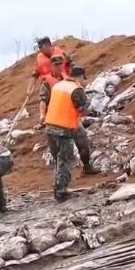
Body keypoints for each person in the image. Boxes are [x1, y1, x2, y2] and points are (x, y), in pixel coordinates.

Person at [36, 56, 99, 175]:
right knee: (61, 152)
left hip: (70, 118)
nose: (59, 67)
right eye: (56, 65)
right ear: (51, 66)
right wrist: (42, 115)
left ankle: (86, 166)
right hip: (56, 119)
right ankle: (60, 177)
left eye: (61, 64)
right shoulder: (47, 81)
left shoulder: (66, 80)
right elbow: (43, 100)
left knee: (83, 141)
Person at [43, 66, 90, 202]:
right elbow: (83, 109)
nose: (84, 81)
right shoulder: (76, 89)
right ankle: (61, 192)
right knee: (66, 160)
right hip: (63, 129)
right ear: (80, 77)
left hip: (50, 126)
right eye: (83, 78)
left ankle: (58, 187)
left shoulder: (58, 86)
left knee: (58, 160)